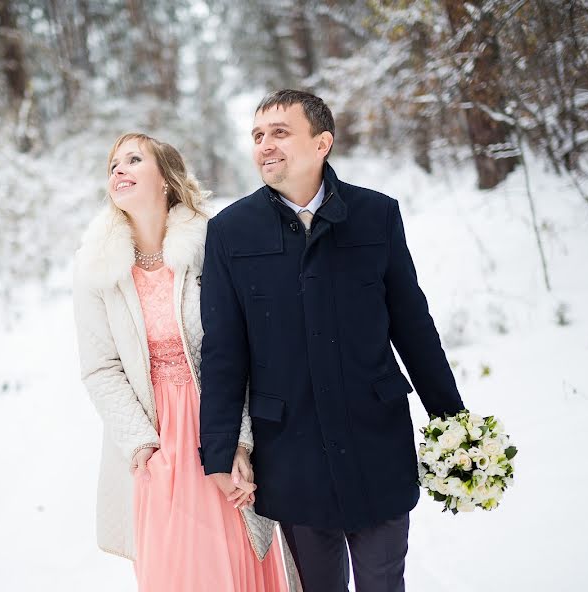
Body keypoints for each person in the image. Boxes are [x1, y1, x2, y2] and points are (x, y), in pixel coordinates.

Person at [198, 90, 466, 592]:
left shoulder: (376, 215)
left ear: (322, 143)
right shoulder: (230, 232)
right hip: (290, 452)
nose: (265, 146)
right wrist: (221, 446)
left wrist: (454, 423)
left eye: (280, 132)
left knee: (384, 583)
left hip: (376, 437)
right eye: (257, 136)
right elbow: (223, 351)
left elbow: (413, 325)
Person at [73, 132, 297, 591]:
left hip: (220, 425)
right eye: (113, 164)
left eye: (134, 159)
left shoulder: (210, 249)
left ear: (167, 180)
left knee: (236, 558)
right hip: (154, 442)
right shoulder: (96, 266)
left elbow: (244, 353)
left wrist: (240, 442)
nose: (119, 169)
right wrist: (142, 446)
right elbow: (100, 368)